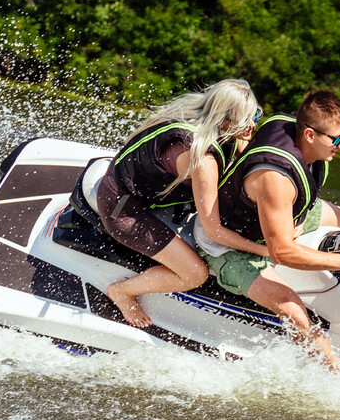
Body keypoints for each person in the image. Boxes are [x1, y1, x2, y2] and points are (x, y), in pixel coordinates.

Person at [193, 90, 340, 384]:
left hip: (286, 215)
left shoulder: (303, 129)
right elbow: (282, 253)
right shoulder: (275, 179)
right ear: (309, 135)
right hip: (229, 245)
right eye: (337, 140)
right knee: (289, 304)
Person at [98, 79, 270, 327]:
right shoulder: (203, 161)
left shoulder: (198, 116)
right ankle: (122, 291)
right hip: (122, 210)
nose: (253, 124)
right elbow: (214, 232)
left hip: (126, 180)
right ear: (225, 121)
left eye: (256, 114)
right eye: (246, 120)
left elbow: (244, 146)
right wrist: (266, 250)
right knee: (195, 274)